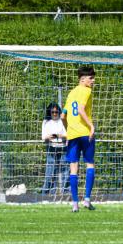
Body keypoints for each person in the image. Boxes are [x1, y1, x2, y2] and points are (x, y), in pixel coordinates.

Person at [62, 66, 96, 212]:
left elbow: (63, 116)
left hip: (72, 134)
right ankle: (87, 200)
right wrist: (91, 126)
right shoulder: (86, 90)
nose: (93, 81)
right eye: (91, 78)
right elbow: (81, 109)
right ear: (83, 79)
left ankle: (75, 204)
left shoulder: (71, 93)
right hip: (85, 134)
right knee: (90, 164)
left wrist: (68, 130)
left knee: (73, 169)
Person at [41, 102, 69, 195]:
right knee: (50, 171)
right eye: (52, 112)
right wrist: (49, 137)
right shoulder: (46, 122)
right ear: (49, 112)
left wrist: (59, 136)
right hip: (51, 148)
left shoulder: (63, 121)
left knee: (66, 171)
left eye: (56, 112)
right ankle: (47, 192)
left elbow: (68, 135)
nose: (54, 114)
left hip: (63, 147)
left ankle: (66, 192)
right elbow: (43, 137)